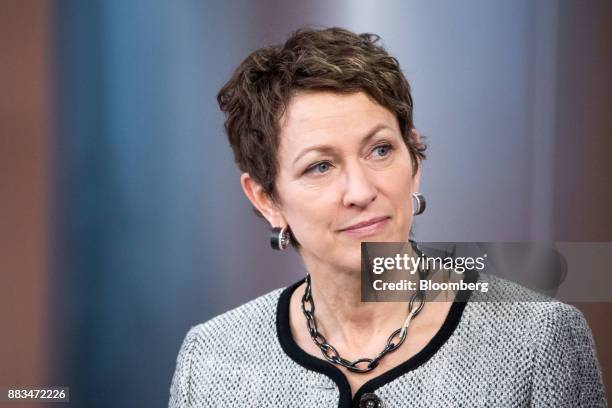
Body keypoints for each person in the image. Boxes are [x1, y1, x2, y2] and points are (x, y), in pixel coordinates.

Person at [168, 27, 607, 407]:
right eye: (319, 166)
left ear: (414, 160)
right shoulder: (211, 359)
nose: (361, 192)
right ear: (267, 199)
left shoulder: (541, 337)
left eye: (380, 150)